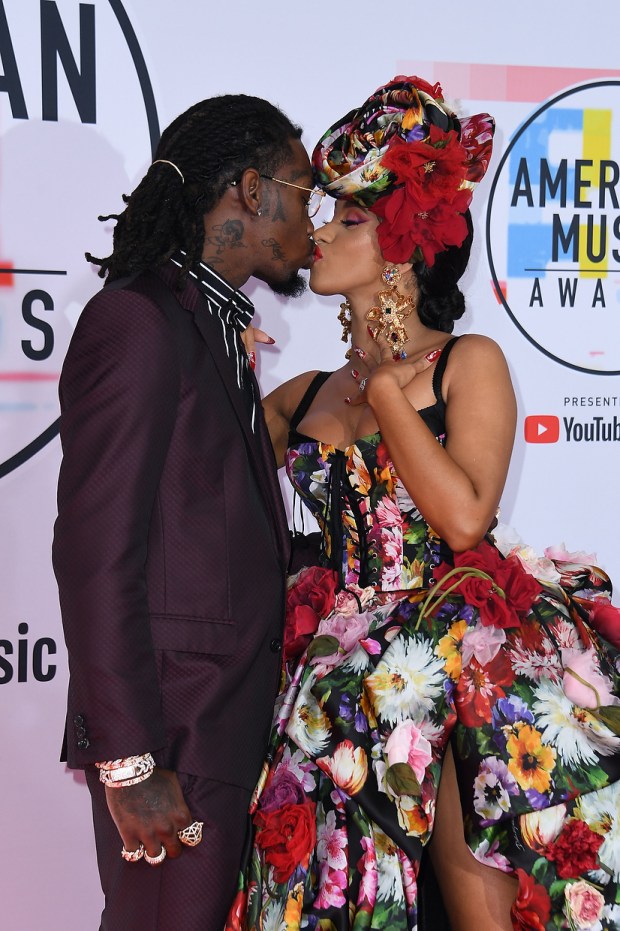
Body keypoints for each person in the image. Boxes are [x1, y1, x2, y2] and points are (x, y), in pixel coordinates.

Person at [226, 76, 620, 931]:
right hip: (337, 681)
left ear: (405, 243)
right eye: (326, 213)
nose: (321, 232)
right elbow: (211, 503)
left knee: (476, 884)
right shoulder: (296, 397)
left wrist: (390, 390)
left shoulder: (467, 364)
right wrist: (223, 361)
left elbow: (464, 519)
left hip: (460, 666)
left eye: (351, 219)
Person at [52, 93, 320, 930]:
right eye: (303, 193)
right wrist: (131, 760)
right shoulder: (137, 322)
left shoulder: (207, 322)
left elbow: (217, 532)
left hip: (225, 729)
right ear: (248, 189)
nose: (314, 221)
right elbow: (95, 553)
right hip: (175, 736)